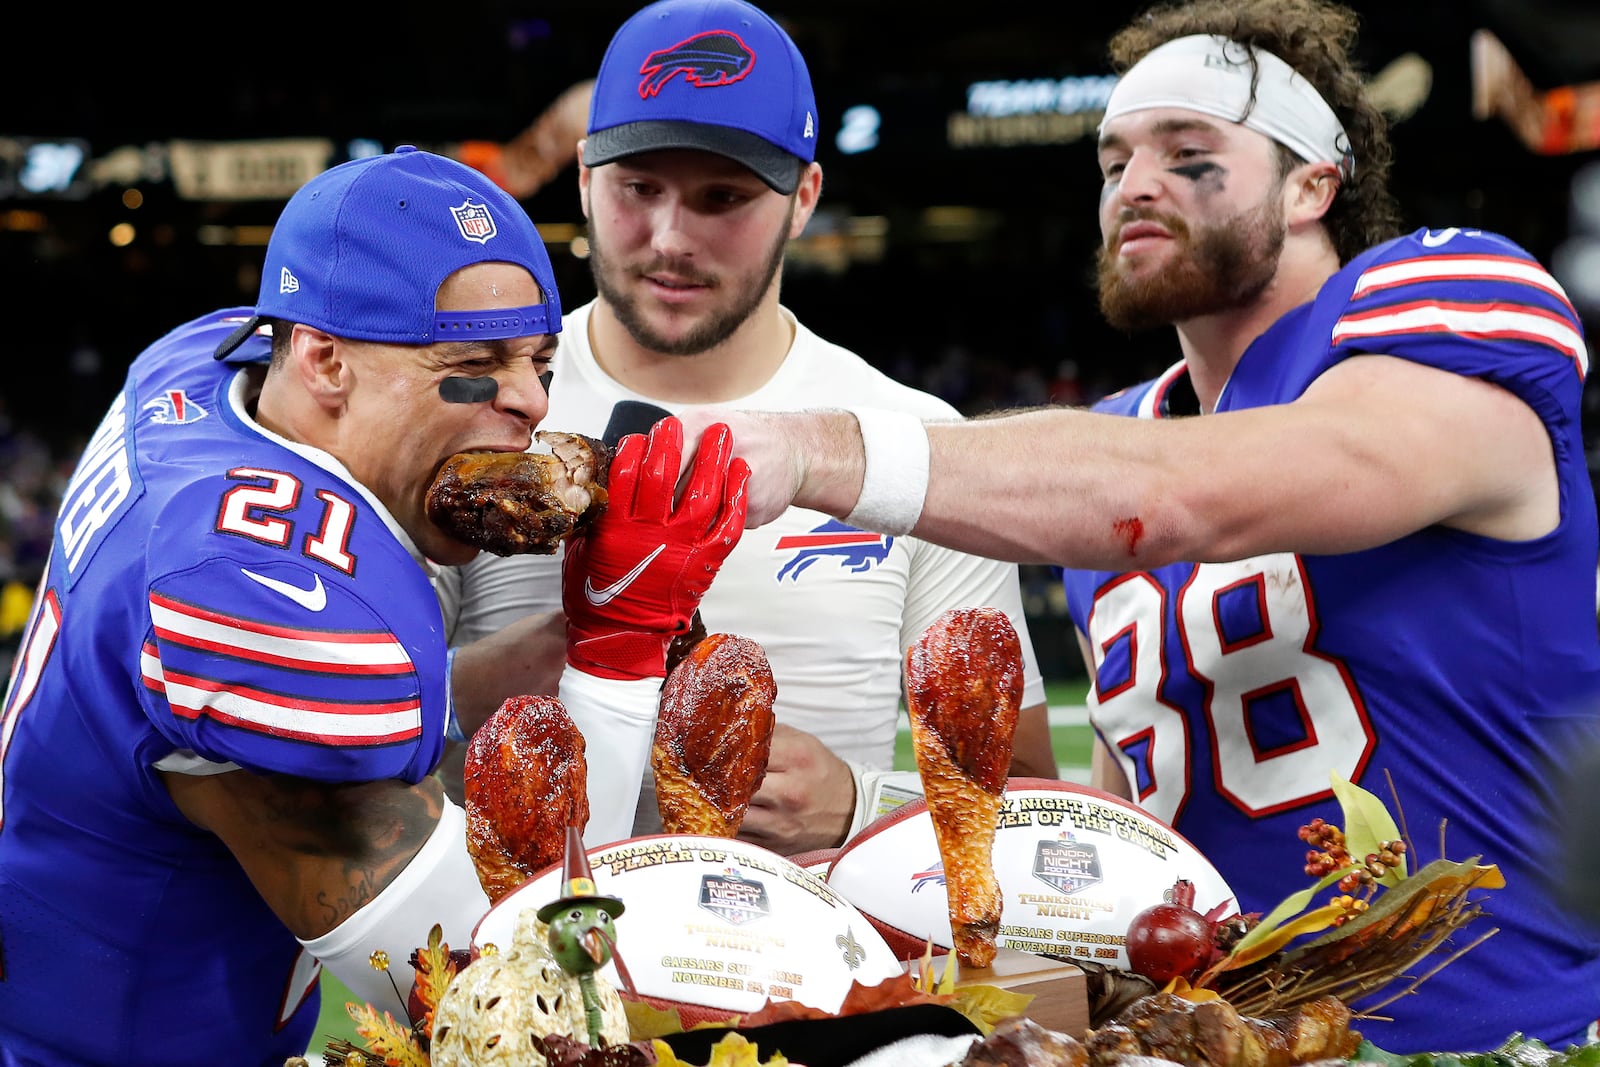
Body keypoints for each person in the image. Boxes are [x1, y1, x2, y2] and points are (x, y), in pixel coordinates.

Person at [671, 0, 1600, 1052]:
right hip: (1225, 1040)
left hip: (1505, 1037)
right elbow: (1120, 850)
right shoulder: (1108, 446)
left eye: (1186, 151)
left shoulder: (1440, 294)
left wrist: (822, 448)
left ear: (1313, 183)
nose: (1133, 183)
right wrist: (861, 818)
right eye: (1113, 160)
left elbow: (1182, 498)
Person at [0, 146, 747, 1067]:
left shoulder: (210, 380)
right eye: (474, 364)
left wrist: (563, 637)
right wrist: (617, 652)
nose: (529, 399)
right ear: (324, 360)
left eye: (538, 360)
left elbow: (410, 693)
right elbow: (537, 1007)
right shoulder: (248, 591)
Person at [436, 0, 1056, 855]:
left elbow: (1035, 812)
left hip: (829, 974)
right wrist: (548, 656)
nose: (670, 238)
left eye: (722, 196)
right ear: (583, 176)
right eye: (638, 188)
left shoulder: (910, 435)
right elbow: (347, 751)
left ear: (804, 198)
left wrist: (858, 801)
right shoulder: (473, 410)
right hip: (528, 969)